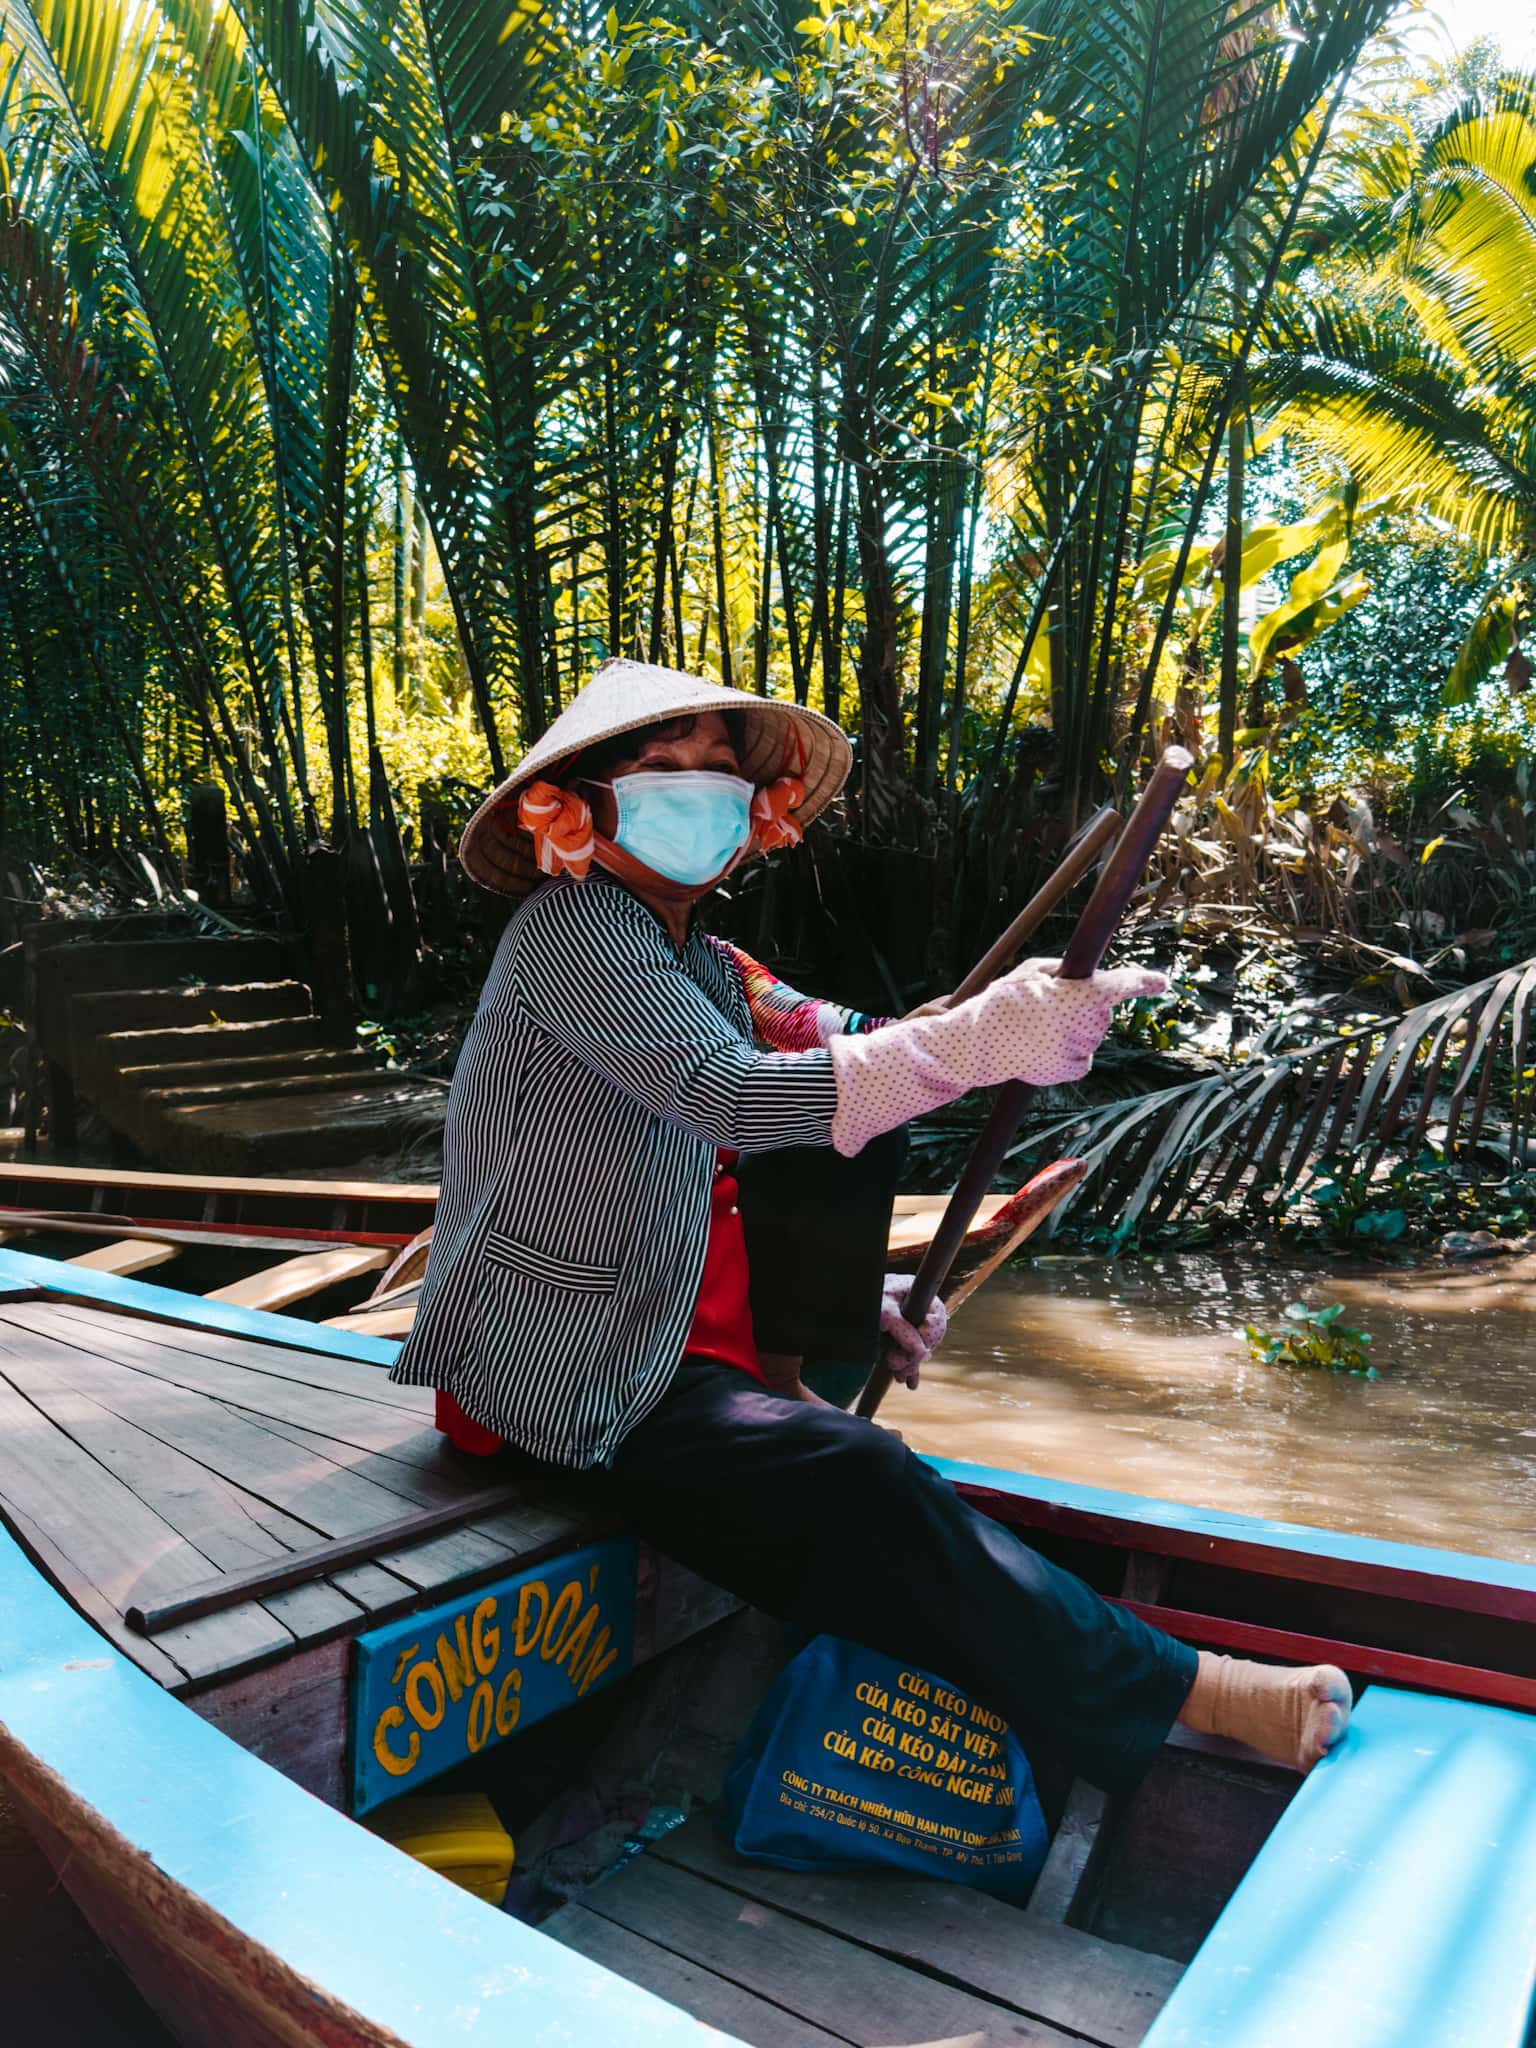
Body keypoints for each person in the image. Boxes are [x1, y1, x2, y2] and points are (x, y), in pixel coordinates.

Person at [392, 656, 1350, 1793]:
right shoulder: (573, 932)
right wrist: (972, 1042)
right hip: (570, 1361)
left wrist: (1020, 1018)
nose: (696, 786)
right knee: (857, 1468)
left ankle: (863, 1436)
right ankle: (1187, 1687)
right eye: (660, 766)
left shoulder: (702, 958)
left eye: (716, 768)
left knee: (860, 1139)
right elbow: (732, 1094)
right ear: (577, 806)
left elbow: (862, 1039)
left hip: (680, 1327)